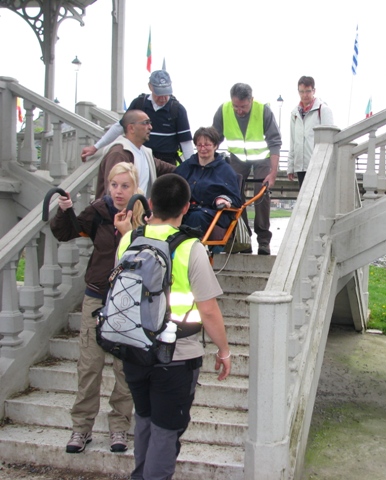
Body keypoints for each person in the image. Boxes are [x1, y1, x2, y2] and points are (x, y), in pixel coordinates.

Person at [119, 173, 231, 480]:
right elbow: (208, 310)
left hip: (133, 349)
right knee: (166, 431)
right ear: (186, 207)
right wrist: (223, 350)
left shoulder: (128, 239)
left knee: (144, 420)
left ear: (151, 204)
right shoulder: (190, 248)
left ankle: (139, 475)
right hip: (176, 356)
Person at [50, 162, 145, 454]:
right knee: (89, 366)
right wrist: (65, 209)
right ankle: (81, 429)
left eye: (124, 186)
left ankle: (119, 427)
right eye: (113, 185)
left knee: (123, 369)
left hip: (128, 301)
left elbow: (142, 258)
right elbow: (66, 232)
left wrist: (128, 231)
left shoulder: (144, 216)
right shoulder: (98, 211)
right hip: (96, 296)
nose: (118, 192)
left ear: (134, 187)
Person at [213, 83, 282, 256]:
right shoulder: (223, 110)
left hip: (262, 158)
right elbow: (215, 138)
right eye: (236, 106)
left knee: (262, 192)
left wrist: (273, 173)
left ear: (251, 100)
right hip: (237, 158)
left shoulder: (263, 111)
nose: (239, 110)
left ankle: (264, 241)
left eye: (243, 106)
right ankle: (243, 239)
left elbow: (274, 143)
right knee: (234, 195)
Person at [81, 70, 193, 165]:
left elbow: (186, 143)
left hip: (166, 162)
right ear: (150, 87)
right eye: (159, 94)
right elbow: (119, 127)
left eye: (166, 93)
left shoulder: (178, 110)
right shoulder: (139, 104)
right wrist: (96, 147)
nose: (163, 98)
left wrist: (191, 168)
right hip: (139, 158)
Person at [174, 126, 242, 240]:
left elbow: (236, 199)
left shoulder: (226, 170)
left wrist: (222, 199)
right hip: (187, 209)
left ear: (215, 145)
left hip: (212, 212)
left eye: (207, 145)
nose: (203, 148)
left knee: (196, 216)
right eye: (199, 145)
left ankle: (187, 249)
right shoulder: (186, 166)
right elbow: (173, 185)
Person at [95, 109, 176, 199]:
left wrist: (192, 165)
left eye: (150, 123)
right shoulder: (119, 153)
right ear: (131, 128)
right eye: (146, 123)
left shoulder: (145, 152)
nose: (150, 127)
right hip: (120, 212)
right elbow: (112, 193)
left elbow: (169, 169)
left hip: (139, 211)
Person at [288, 76, 334, 187]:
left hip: (317, 165)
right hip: (300, 166)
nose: (305, 95)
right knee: (303, 199)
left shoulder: (323, 110)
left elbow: (329, 139)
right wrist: (291, 166)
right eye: (301, 92)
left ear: (314, 90)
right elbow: (293, 141)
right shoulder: (294, 113)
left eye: (308, 91)